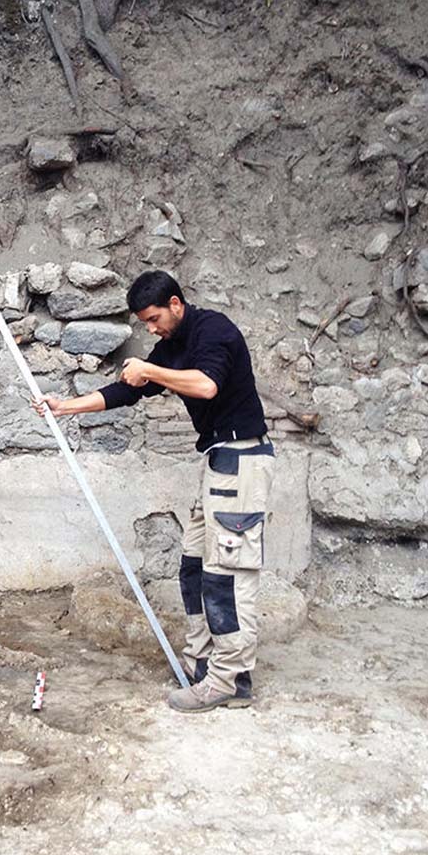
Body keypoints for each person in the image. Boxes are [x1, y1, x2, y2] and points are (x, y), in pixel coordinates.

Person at [33, 270, 275, 713]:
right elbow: (126, 391)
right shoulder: (172, 349)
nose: (150, 329)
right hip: (219, 462)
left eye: (153, 318)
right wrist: (65, 407)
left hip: (243, 460)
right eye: (145, 322)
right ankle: (202, 664)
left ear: (176, 304)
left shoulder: (214, 331)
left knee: (228, 575)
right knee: (195, 568)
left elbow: (207, 384)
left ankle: (230, 681)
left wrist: (150, 369)